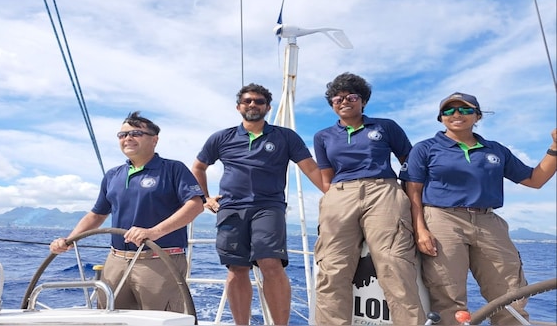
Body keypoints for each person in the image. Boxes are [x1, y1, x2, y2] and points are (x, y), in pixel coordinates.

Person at [400, 92, 557, 325]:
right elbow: (412, 191)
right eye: (449, 110)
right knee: (447, 292)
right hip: (442, 219)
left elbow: (534, 180)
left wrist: (554, 147)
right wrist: (420, 229)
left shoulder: (495, 150)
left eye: (464, 110)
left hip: (488, 221)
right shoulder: (425, 148)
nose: (456, 114)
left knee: (509, 291)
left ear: (478, 116)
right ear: (440, 117)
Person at [191, 83, 325, 325]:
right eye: (248, 101)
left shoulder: (285, 137)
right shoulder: (222, 138)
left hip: (268, 207)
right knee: (236, 268)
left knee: (270, 264)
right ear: (239, 106)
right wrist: (205, 199)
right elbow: (199, 167)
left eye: (259, 101)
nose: (253, 104)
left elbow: (311, 168)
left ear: (268, 107)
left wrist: (334, 193)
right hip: (231, 208)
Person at [49, 111, 205, 312]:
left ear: (154, 140)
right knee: (110, 317)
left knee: (159, 320)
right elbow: (97, 214)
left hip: (159, 261)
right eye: (122, 135)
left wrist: (153, 232)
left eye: (136, 133)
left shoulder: (173, 169)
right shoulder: (113, 175)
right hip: (116, 261)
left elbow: (195, 205)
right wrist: (69, 240)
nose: (127, 138)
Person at [313, 72, 427, 325]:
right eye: (337, 98)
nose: (344, 101)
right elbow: (326, 176)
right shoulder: (322, 136)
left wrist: (407, 194)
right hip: (340, 194)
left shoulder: (385, 126)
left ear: (363, 101)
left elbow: (409, 163)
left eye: (351, 96)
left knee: (394, 264)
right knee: (332, 269)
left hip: (382, 190)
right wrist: (335, 199)